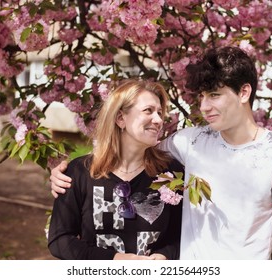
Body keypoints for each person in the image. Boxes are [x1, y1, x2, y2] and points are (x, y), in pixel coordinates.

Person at [50, 46, 272, 260]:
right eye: (202, 96)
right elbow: (128, 153)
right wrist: (67, 173)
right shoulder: (189, 142)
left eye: (214, 95)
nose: (205, 106)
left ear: (244, 92)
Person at [47, 79, 184, 260]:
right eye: (148, 111)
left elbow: (182, 234)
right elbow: (60, 239)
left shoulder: (170, 172)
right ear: (120, 118)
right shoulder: (79, 172)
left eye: (160, 112)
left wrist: (165, 255)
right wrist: (116, 259)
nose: (159, 120)